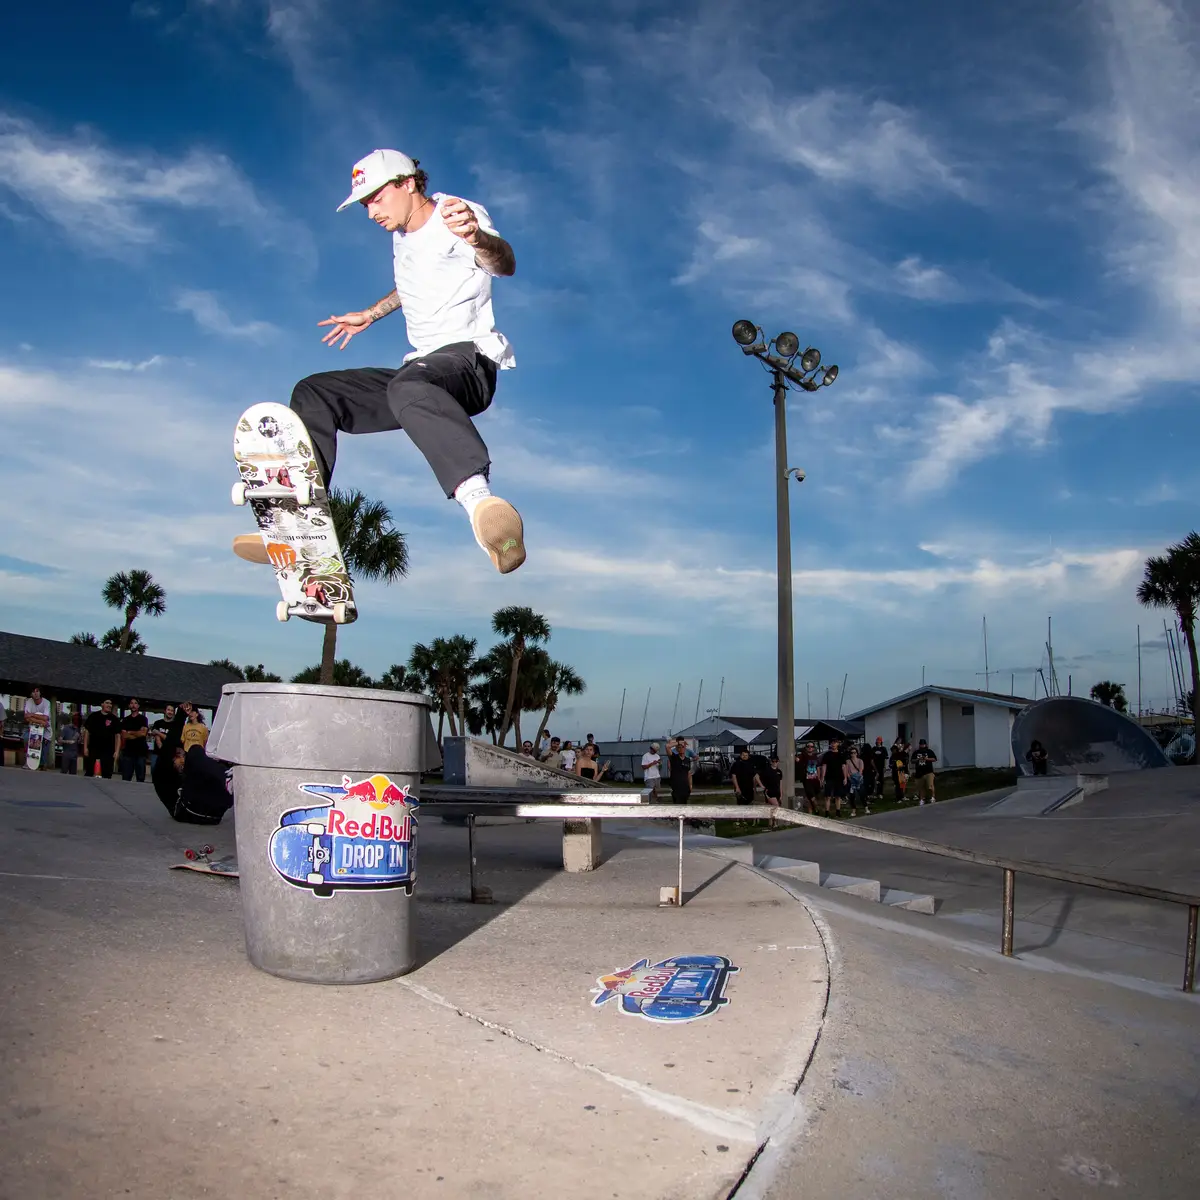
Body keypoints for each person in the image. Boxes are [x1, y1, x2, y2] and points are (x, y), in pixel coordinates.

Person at [232, 149, 524, 575]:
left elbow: (504, 263)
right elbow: (411, 287)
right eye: (364, 204)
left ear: (408, 183)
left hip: (469, 363)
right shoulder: (402, 238)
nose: (371, 212)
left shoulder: (453, 214)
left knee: (408, 385)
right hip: (420, 375)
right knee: (315, 392)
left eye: (375, 198)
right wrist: (370, 315)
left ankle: (480, 502)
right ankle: (297, 523)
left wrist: (478, 238)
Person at [152, 702, 233, 824]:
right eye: (179, 756)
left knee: (205, 762)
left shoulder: (187, 775)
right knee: (195, 750)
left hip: (213, 816)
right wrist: (181, 715)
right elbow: (169, 744)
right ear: (171, 759)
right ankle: (226, 777)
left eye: (183, 756)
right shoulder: (161, 772)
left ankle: (233, 782)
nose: (183, 760)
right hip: (185, 810)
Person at [83, 699, 121, 779]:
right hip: (93, 749)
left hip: (108, 751)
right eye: (107, 703)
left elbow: (118, 736)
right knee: (89, 772)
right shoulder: (93, 716)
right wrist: (85, 747)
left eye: (111, 703)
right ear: (102, 704)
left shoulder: (114, 719)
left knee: (106, 774)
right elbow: (87, 732)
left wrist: (117, 751)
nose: (109, 705)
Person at [118, 698, 150, 783]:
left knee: (140, 778)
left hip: (140, 752)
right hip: (128, 752)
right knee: (126, 778)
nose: (133, 705)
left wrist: (130, 732)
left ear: (138, 706)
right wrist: (137, 733)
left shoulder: (143, 719)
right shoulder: (125, 720)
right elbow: (124, 735)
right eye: (131, 703)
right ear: (129, 706)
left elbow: (143, 734)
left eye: (135, 703)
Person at [23, 688, 52, 770]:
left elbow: (46, 718)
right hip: (33, 729)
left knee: (43, 759)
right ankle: (27, 761)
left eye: (37, 691)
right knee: (26, 738)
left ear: (40, 693)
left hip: (46, 731)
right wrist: (41, 721)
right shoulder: (29, 701)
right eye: (33, 691)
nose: (35, 693)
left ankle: (42, 764)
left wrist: (31, 715)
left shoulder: (46, 703)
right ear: (31, 694)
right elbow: (26, 717)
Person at [667, 737, 693, 806]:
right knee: (678, 805)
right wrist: (679, 742)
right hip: (676, 786)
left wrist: (690, 785)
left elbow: (689, 773)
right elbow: (667, 746)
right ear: (677, 749)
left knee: (684, 805)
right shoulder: (674, 757)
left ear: (685, 748)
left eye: (682, 747)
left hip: (685, 787)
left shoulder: (687, 760)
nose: (681, 748)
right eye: (679, 747)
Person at [150, 704, 176, 772]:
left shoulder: (175, 725)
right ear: (165, 711)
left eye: (172, 711)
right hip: (157, 752)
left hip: (169, 753)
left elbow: (170, 739)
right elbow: (154, 733)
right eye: (168, 710)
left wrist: (158, 733)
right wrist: (160, 741)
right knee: (153, 768)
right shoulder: (158, 723)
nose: (170, 712)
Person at [912, 738, 938, 804]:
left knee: (930, 785)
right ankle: (922, 799)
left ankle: (933, 797)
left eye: (923, 744)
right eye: (921, 744)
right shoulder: (916, 752)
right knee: (921, 787)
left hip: (928, 771)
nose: (922, 746)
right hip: (919, 772)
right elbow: (912, 761)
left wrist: (926, 758)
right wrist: (918, 759)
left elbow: (934, 759)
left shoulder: (929, 751)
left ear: (925, 744)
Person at [798, 741, 821, 813]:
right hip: (807, 780)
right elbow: (798, 760)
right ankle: (816, 809)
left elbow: (817, 768)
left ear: (814, 748)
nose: (810, 748)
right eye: (808, 746)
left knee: (810, 798)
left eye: (812, 746)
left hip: (815, 779)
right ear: (806, 748)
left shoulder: (815, 757)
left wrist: (819, 778)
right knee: (812, 797)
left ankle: (810, 813)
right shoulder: (803, 756)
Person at [846, 743, 866, 818]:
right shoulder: (848, 761)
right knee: (852, 796)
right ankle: (853, 810)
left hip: (859, 778)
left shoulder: (860, 761)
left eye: (854, 752)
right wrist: (849, 778)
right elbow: (847, 771)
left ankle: (866, 808)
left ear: (857, 753)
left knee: (862, 794)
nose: (853, 754)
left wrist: (858, 778)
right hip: (851, 779)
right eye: (852, 753)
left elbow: (861, 770)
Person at [889, 738, 910, 804]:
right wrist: (894, 767)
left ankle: (902, 796)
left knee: (902, 785)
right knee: (898, 786)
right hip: (895, 773)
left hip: (901, 772)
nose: (893, 751)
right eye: (893, 750)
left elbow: (905, 763)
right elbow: (890, 765)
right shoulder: (892, 757)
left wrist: (904, 768)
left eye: (894, 750)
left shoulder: (901, 755)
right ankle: (898, 798)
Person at [870, 736, 888, 801]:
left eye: (879, 740)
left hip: (881, 766)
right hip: (875, 766)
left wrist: (885, 766)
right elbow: (871, 759)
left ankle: (880, 793)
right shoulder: (873, 749)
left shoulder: (883, 749)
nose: (878, 742)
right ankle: (874, 792)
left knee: (881, 780)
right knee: (875, 780)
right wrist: (874, 767)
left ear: (881, 741)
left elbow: (886, 758)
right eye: (877, 740)